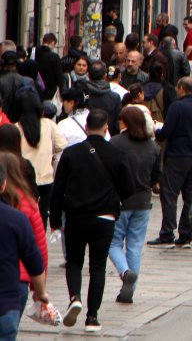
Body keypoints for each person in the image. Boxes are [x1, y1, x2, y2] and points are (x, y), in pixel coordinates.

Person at [50, 109, 135, 331]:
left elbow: (57, 190)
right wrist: (115, 201)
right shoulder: (116, 154)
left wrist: (56, 219)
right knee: (98, 267)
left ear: (86, 127)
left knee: (75, 261)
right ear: (106, 128)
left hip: (76, 216)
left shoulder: (71, 153)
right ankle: (92, 318)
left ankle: (74, 297)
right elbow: (129, 188)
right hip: (104, 218)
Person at [150, 77, 192, 247]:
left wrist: (158, 131)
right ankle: (186, 232)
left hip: (178, 156)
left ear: (181, 89)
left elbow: (167, 131)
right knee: (190, 195)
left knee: (169, 193)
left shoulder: (177, 106)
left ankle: (167, 231)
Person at [108, 106, 161, 304]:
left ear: (126, 122)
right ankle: (130, 289)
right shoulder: (153, 146)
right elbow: (157, 175)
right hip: (143, 201)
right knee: (135, 246)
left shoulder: (116, 143)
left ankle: (125, 271)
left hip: (121, 201)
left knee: (112, 242)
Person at [0, 159, 50, 340]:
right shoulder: (17, 218)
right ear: (3, 185)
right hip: (6, 302)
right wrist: (40, 291)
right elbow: (34, 258)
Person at [16, 96, 66, 229]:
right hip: (45, 178)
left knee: (22, 211)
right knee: (42, 214)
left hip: (23, 178)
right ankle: (39, 242)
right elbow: (62, 144)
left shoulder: (17, 127)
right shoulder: (49, 124)